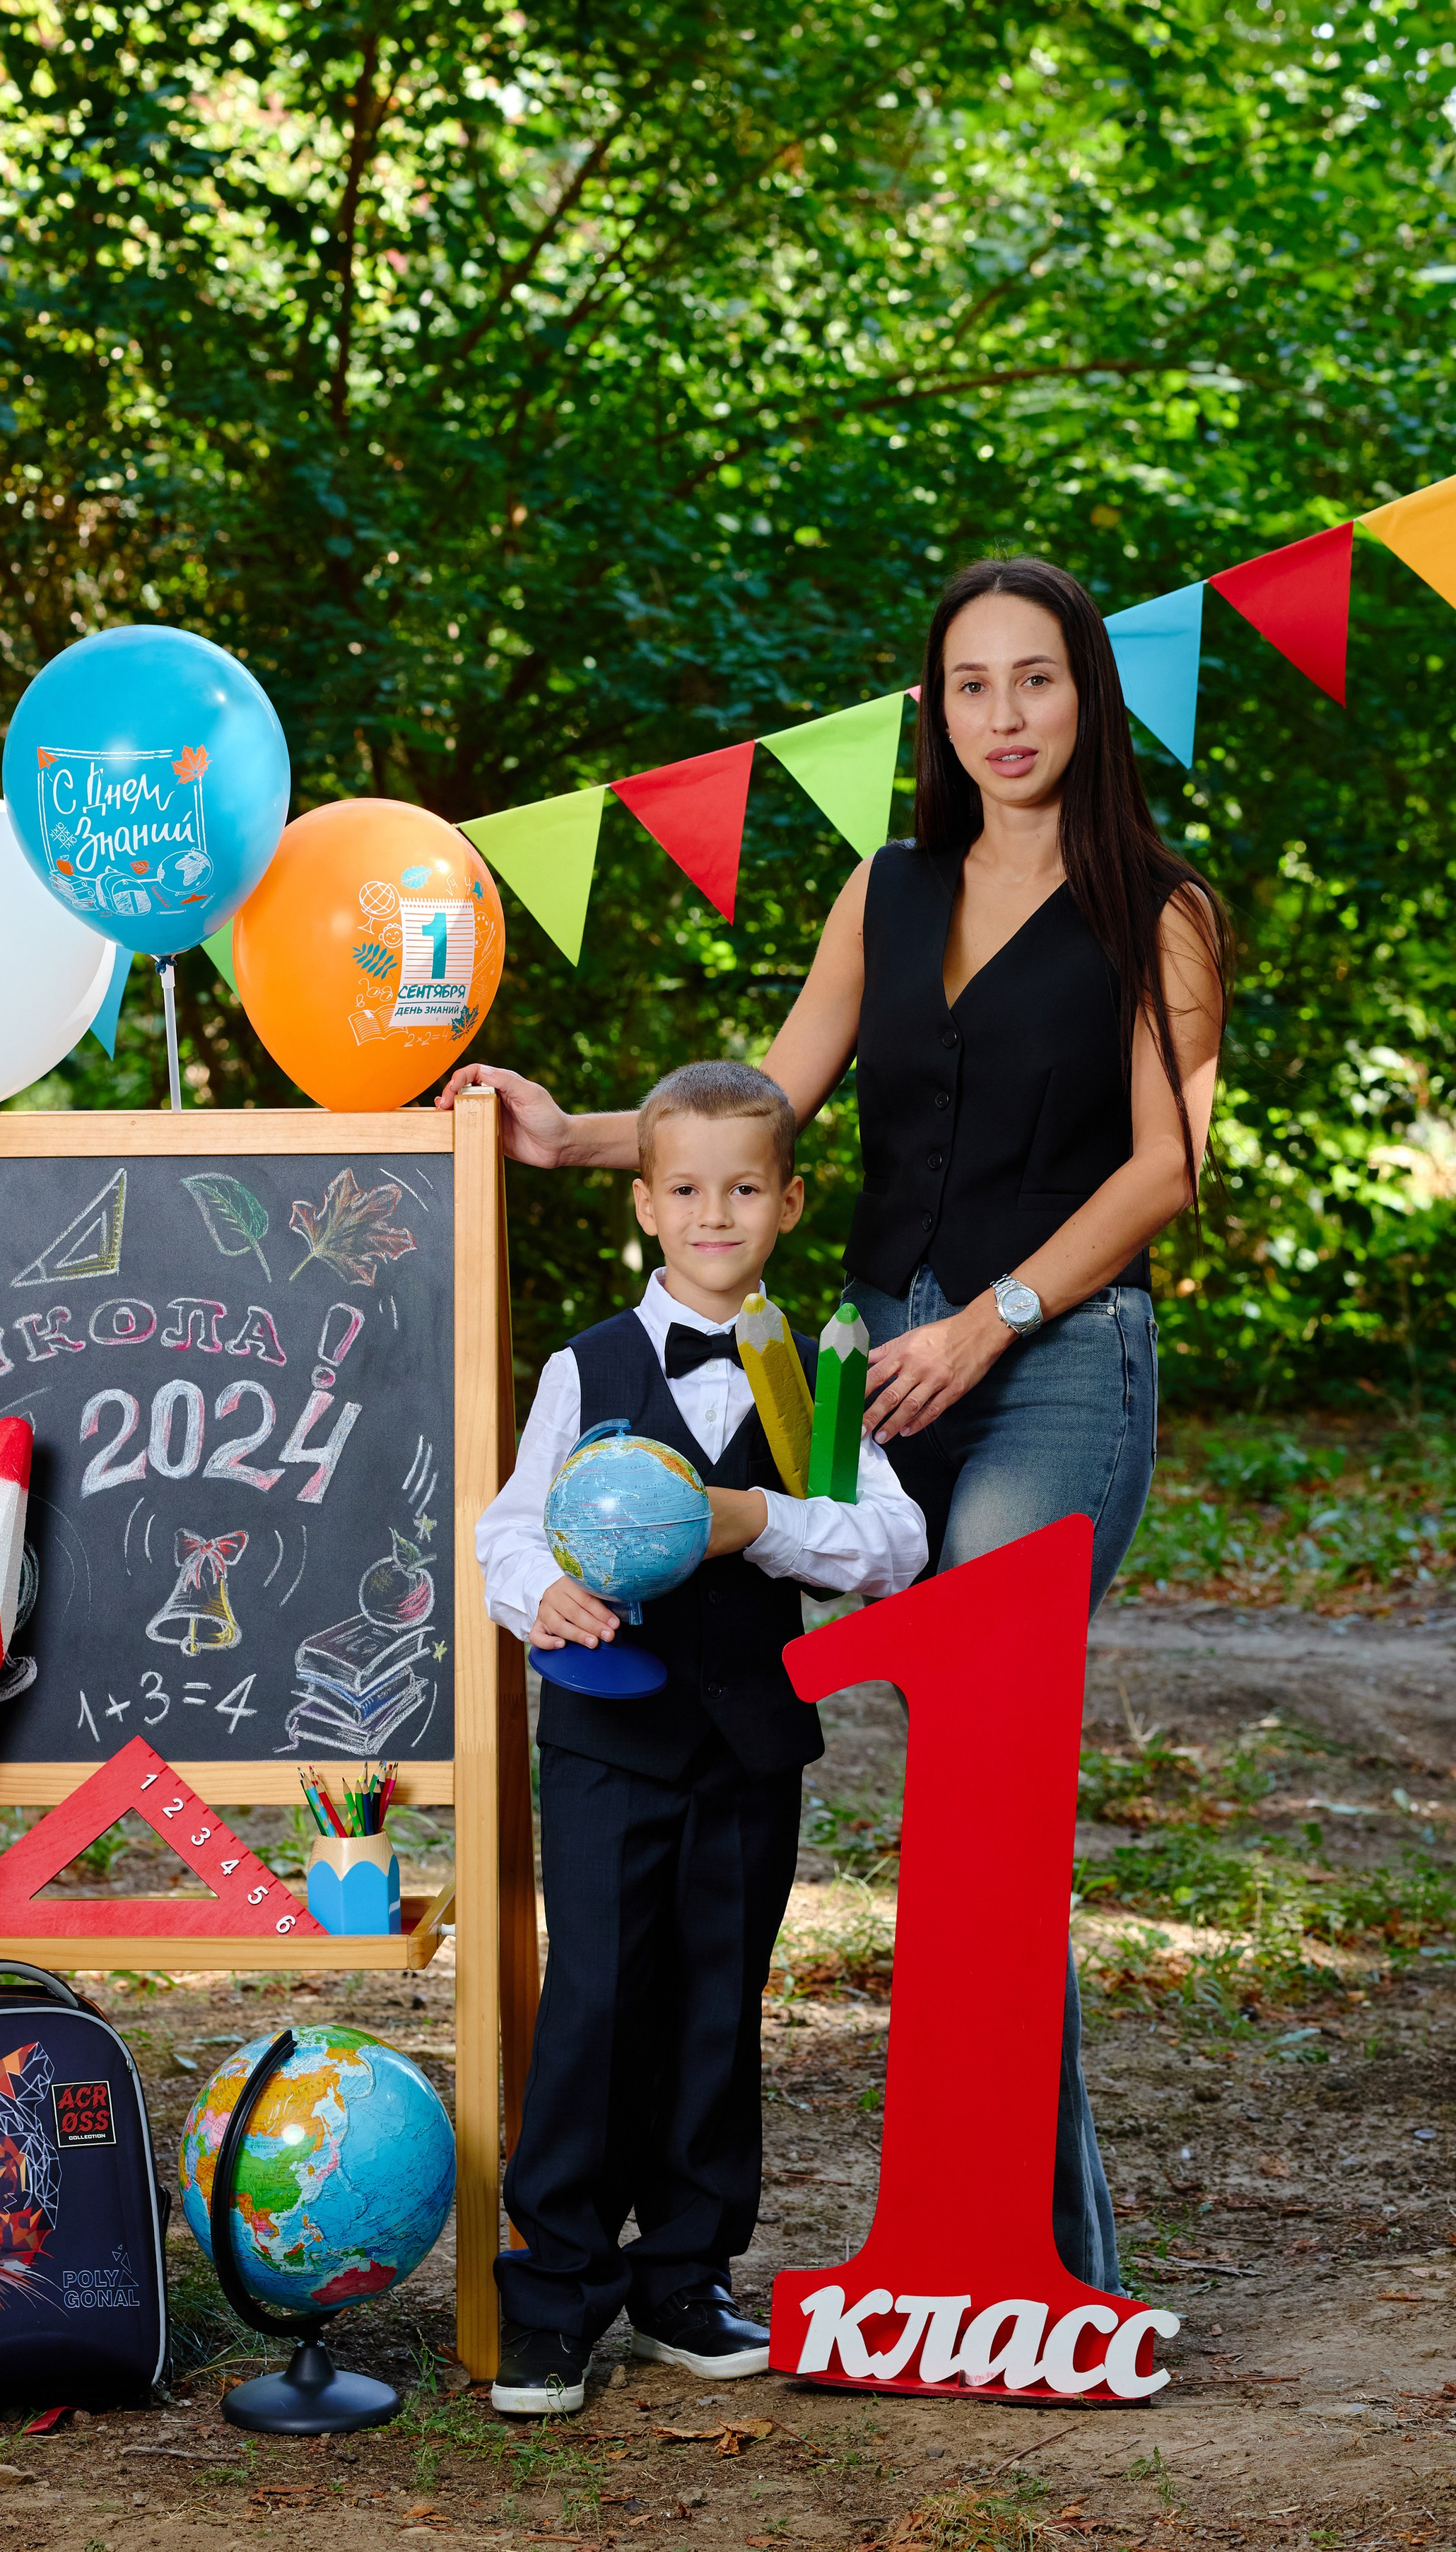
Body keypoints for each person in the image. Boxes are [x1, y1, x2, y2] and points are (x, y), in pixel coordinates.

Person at [443, 555, 1229, 2299]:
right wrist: (567, 1136)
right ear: (934, 710)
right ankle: (886, 2229)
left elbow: (1162, 1167)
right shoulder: (885, 888)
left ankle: (1032, 2257)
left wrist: (988, 1316)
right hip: (867, 1367)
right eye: (971, 685)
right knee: (932, 1777)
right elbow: (763, 1107)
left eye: (1036, 679)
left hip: (1051, 1363)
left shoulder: (1157, 909)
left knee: (983, 1756)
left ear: (1087, 695)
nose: (1005, 716)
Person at [474, 1060, 927, 2416]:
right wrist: (538, 1594)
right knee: (595, 2006)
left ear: (789, 1202)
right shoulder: (590, 1364)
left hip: (749, 1747)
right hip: (608, 1743)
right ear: (645, 1205)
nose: (713, 1215)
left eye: (742, 1190)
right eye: (685, 1189)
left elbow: (892, 1541)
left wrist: (760, 1521)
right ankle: (556, 2290)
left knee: (720, 2009)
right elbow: (509, 1527)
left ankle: (687, 2273)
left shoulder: (822, 1375)